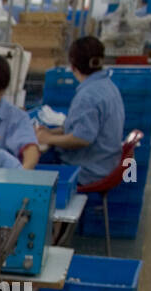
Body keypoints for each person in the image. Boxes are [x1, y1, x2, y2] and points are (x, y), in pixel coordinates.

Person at [35, 36, 126, 185]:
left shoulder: (87, 96)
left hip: (89, 171)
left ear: (72, 66)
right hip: (107, 163)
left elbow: (81, 138)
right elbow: (83, 126)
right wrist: (52, 132)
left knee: (30, 174)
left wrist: (48, 139)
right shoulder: (107, 85)